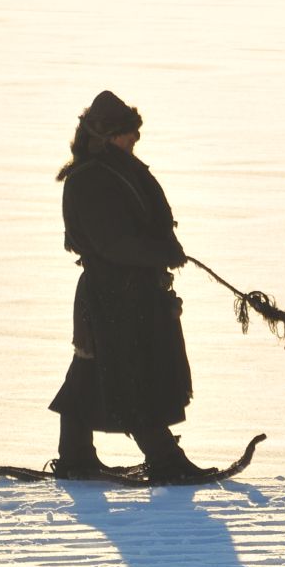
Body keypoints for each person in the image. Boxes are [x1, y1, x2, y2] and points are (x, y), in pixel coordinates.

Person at [50, 91, 211, 482]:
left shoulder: (117, 171)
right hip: (113, 295)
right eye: (127, 135)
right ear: (105, 137)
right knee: (133, 373)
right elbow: (113, 242)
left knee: (90, 371)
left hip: (131, 291)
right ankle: (164, 457)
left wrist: (163, 254)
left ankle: (75, 455)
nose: (133, 142)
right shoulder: (89, 181)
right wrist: (160, 253)